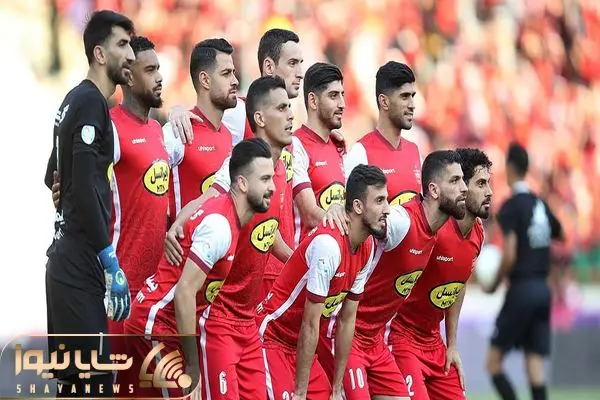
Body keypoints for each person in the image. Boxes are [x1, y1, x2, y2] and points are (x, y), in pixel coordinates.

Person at [163, 75, 294, 399]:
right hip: (219, 315)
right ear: (260, 118)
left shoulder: (283, 167)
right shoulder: (241, 168)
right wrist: (177, 225)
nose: (291, 114)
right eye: (282, 108)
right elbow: (209, 200)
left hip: (249, 320)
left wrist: (299, 263)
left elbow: (269, 232)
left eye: (290, 107)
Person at [124, 138, 275, 397]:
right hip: (156, 324)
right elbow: (184, 293)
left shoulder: (228, 216)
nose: (272, 187)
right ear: (242, 183)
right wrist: (193, 366)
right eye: (264, 179)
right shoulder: (220, 227)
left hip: (166, 326)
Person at [321, 150, 468, 400]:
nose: (463, 188)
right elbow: (365, 219)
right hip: (347, 333)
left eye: (463, 180)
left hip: (375, 339)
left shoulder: (436, 231)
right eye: (455, 180)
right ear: (433, 190)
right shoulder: (403, 222)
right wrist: (338, 209)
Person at [43, 10, 134, 397]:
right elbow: (78, 183)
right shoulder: (91, 103)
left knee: (78, 387)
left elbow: (52, 175)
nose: (130, 55)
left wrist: (62, 191)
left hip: (68, 264)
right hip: (79, 266)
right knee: (93, 386)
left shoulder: (73, 100)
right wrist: (108, 257)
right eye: (122, 45)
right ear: (99, 53)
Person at [257, 164, 388, 400]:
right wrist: (300, 392)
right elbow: (310, 323)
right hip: (273, 339)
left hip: (301, 348)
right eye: (379, 201)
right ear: (358, 206)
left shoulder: (367, 246)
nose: (387, 209)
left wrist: (337, 387)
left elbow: (347, 320)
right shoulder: (328, 245)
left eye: (386, 200)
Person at [388, 148, 493, 400]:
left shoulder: (479, 233)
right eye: (480, 184)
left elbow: (458, 284)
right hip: (401, 337)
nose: (489, 192)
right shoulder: (434, 229)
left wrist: (452, 345)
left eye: (488, 183)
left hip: (434, 341)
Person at [485, 142, 564, 400]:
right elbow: (561, 234)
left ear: (509, 167)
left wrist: (493, 285)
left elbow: (509, 254)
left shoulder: (511, 206)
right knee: (535, 367)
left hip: (521, 289)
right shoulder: (539, 204)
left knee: (493, 363)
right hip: (543, 290)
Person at [163, 38, 239, 223]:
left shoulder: (230, 135)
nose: (235, 81)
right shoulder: (179, 130)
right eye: (226, 73)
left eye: (234, 73)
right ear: (205, 80)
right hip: (184, 242)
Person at [344, 61, 422, 206]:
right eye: (404, 96)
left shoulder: (414, 151)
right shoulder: (360, 153)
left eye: (412, 96)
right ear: (384, 102)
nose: (412, 105)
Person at [292, 62, 347, 247]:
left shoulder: (338, 146)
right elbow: (309, 215)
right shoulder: (296, 145)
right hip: (306, 260)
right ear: (313, 101)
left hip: (336, 257)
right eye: (333, 96)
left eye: (342, 95)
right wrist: (349, 227)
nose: (342, 104)